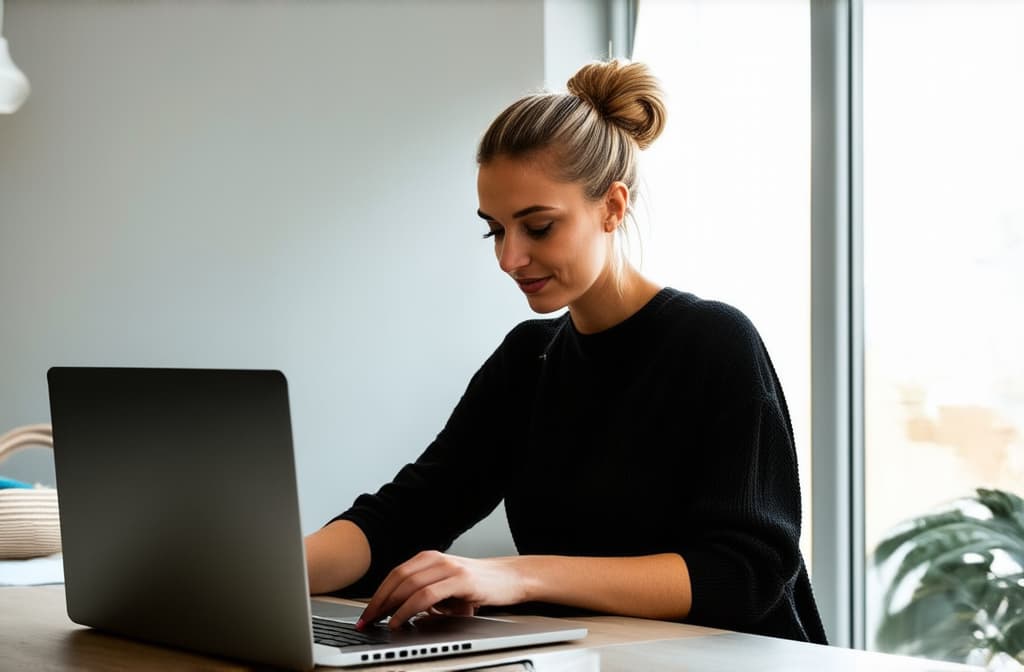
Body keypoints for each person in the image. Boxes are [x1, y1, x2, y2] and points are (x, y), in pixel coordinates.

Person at [304, 59, 827, 645]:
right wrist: (259, 573)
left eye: (539, 226)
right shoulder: (530, 360)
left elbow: (745, 573)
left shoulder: (714, 342)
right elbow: (402, 517)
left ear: (612, 206)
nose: (509, 258)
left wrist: (519, 576)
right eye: (495, 229)